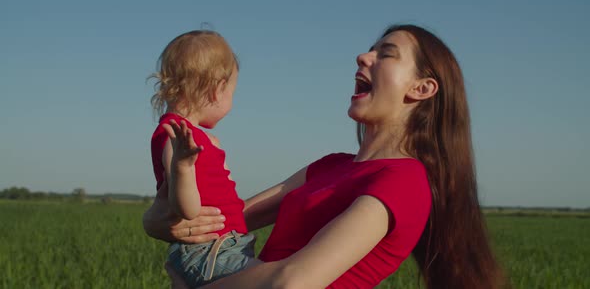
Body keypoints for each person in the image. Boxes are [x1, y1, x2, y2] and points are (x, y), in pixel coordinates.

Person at [144, 24, 506, 288]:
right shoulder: (331, 166)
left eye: (386, 54)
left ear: (422, 88)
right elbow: (225, 217)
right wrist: (155, 221)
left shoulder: (405, 181)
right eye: (370, 49)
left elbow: (292, 282)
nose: (363, 56)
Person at [148, 30, 257, 287]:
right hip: (211, 251)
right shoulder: (178, 136)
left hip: (218, 249)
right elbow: (187, 210)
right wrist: (183, 167)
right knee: (279, 279)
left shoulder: (192, 137)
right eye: (232, 92)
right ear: (217, 88)